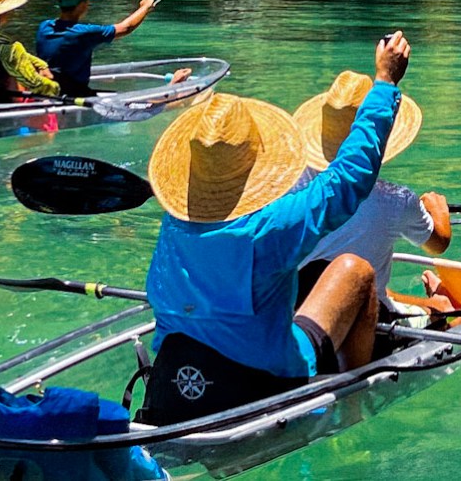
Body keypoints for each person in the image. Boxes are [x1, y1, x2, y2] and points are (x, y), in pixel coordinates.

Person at [139, 32, 412, 425]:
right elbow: (349, 179)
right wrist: (385, 84)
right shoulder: (270, 229)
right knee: (356, 271)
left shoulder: (173, 220)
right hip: (264, 380)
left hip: (174, 380)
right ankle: (353, 412)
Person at [291, 70, 448, 303]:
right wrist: (439, 211)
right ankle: (444, 306)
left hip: (296, 309)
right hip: (365, 323)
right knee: (445, 307)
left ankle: (430, 303)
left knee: (381, 293)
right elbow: (438, 243)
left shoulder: (289, 188)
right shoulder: (397, 201)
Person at [33, 0, 154, 99]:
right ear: (81, 5)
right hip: (73, 96)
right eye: (87, 0)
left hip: (46, 92)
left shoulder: (43, 27)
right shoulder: (83, 33)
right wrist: (145, 7)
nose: (88, 3)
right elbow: (125, 28)